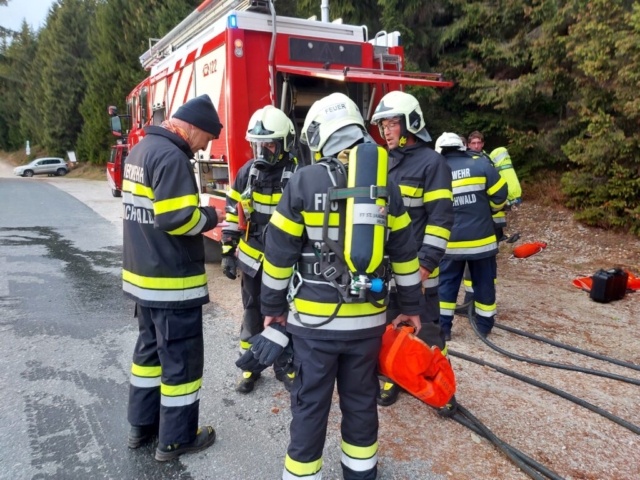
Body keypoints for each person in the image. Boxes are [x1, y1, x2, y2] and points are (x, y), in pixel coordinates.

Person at [260, 93, 423, 480]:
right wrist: (412, 307)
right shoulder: (386, 185)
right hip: (367, 324)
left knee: (310, 406)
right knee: (362, 403)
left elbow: (278, 253)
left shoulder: (304, 180)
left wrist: (272, 307)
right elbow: (405, 255)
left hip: (314, 326)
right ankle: (361, 473)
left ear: (319, 135)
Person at [123, 94, 222, 461]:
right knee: (181, 362)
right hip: (172, 283)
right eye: (206, 138)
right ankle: (176, 439)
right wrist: (212, 217)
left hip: (144, 279)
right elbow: (178, 219)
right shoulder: (172, 157)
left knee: (148, 356)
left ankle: (141, 427)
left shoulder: (140, 151)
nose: (204, 147)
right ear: (192, 128)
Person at [370, 91, 454, 407]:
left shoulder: (432, 164)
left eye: (392, 123)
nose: (386, 131)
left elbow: (440, 220)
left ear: (411, 124)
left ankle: (442, 385)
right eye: (383, 125)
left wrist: (425, 265)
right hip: (387, 268)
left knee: (428, 330)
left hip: (419, 269)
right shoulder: (382, 162)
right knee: (391, 325)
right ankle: (394, 377)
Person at [221, 105, 299, 393]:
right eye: (257, 144)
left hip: (287, 262)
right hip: (253, 261)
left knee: (286, 312)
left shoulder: (298, 175)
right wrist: (227, 251)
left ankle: (284, 364)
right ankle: (251, 366)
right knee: (252, 311)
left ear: (285, 143)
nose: (262, 151)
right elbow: (234, 212)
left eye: (269, 144)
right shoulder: (247, 173)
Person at [435, 132, 508, 339]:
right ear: (462, 146)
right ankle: (484, 327)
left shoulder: (437, 171)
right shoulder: (481, 164)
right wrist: (489, 209)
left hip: (450, 243)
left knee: (446, 285)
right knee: (484, 284)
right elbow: (501, 195)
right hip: (482, 242)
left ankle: (444, 330)